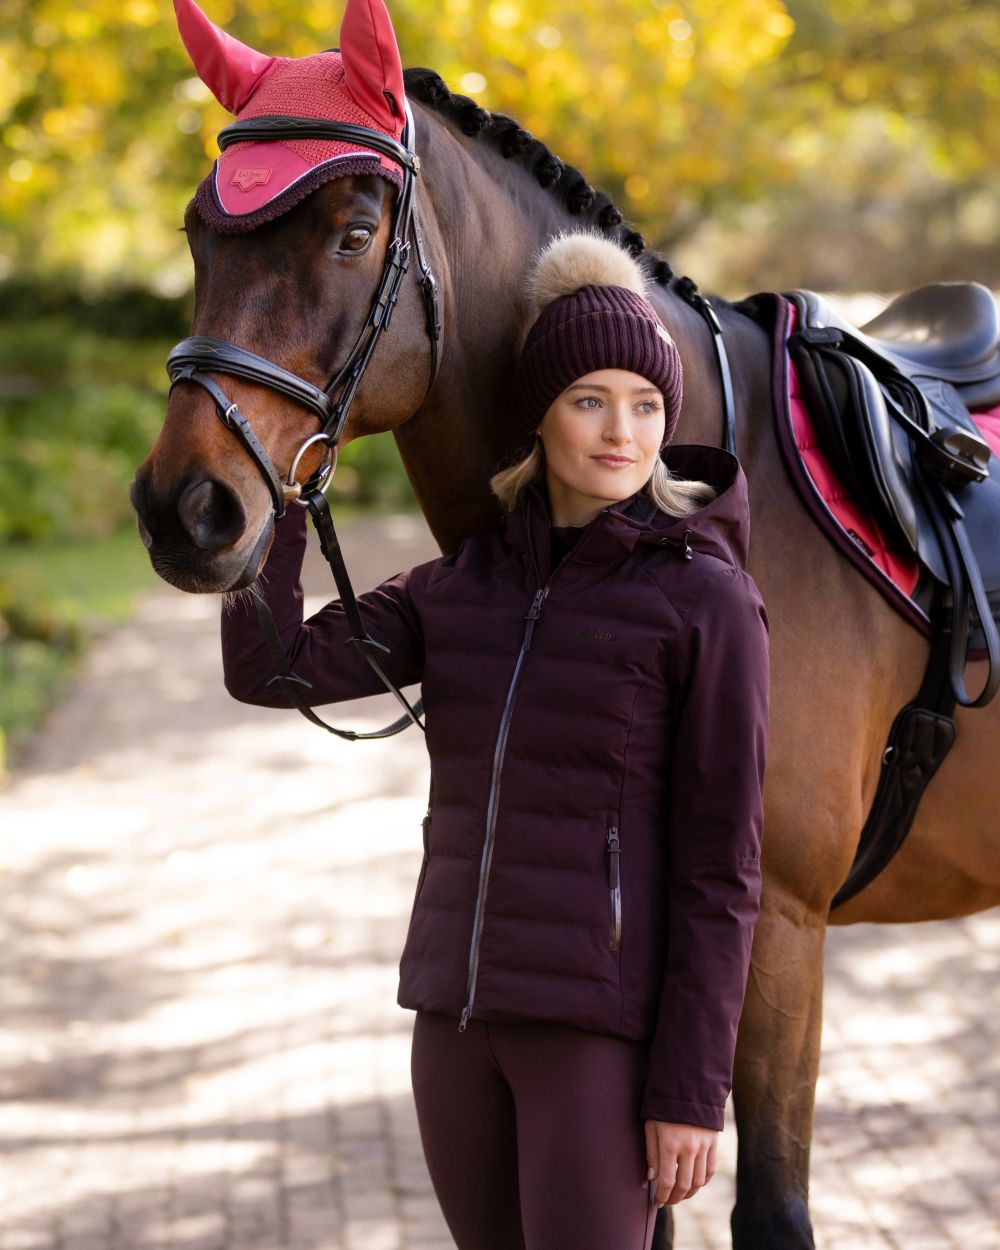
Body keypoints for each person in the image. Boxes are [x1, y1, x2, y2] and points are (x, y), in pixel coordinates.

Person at [221, 230, 771, 1250]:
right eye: (590, 400)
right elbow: (275, 666)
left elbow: (721, 867)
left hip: (596, 1034)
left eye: (645, 404)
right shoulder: (461, 587)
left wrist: (692, 1085)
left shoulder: (706, 599)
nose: (622, 430)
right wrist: (284, 495)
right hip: (456, 1020)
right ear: (539, 415)